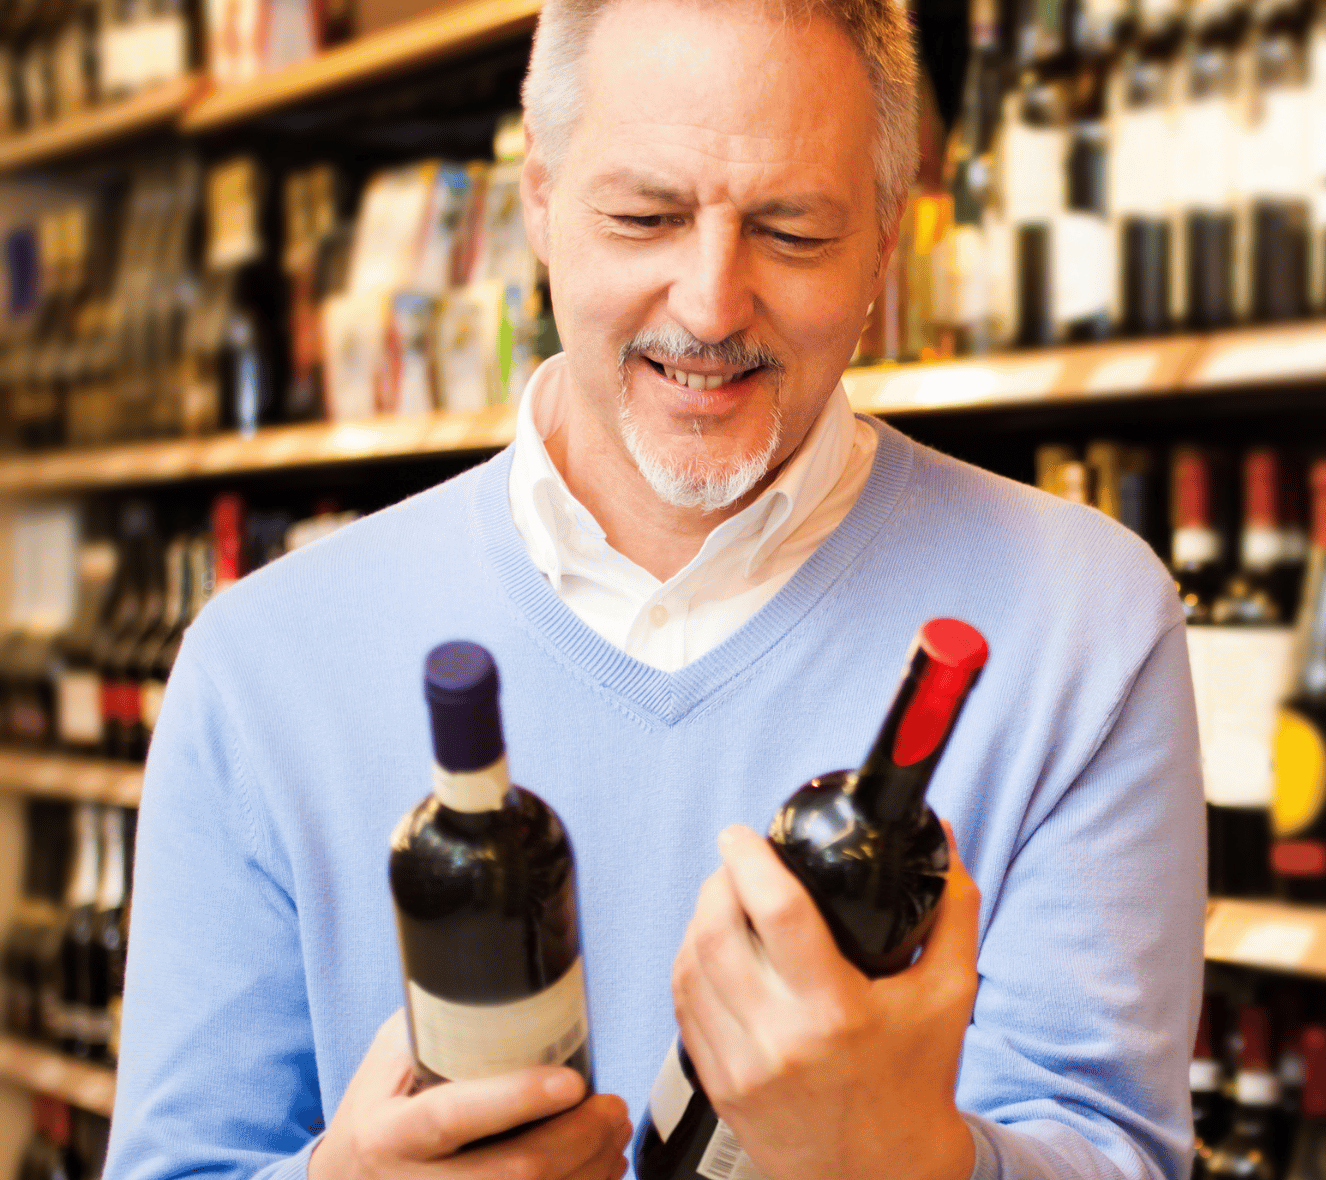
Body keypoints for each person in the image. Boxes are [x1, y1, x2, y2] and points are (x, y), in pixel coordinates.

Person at [103, 1, 1205, 1179]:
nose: (710, 304)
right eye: (646, 216)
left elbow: (1110, 1147)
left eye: (791, 231)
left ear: (889, 242)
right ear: (539, 200)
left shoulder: (1085, 625)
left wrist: (907, 1160)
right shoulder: (263, 661)